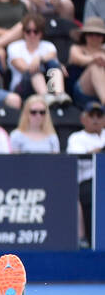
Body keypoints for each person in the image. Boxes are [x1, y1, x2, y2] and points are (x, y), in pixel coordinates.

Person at [65, 100, 105, 247]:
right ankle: (91, 239)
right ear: (83, 118)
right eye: (91, 115)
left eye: (99, 115)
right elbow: (75, 160)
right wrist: (100, 151)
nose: (95, 119)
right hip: (88, 183)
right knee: (89, 193)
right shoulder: (76, 138)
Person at [7, 13, 69, 104]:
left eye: (36, 31)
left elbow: (54, 61)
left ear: (41, 33)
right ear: (23, 32)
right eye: (28, 31)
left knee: (53, 65)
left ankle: (60, 95)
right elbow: (24, 68)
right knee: (35, 70)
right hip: (22, 86)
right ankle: (45, 97)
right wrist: (40, 61)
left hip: (48, 84)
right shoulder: (14, 47)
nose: (32, 34)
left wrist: (39, 58)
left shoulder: (49, 46)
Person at [69, 17, 105, 108]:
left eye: (98, 34)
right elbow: (77, 59)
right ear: (84, 35)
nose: (94, 37)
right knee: (95, 67)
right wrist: (94, 59)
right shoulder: (77, 48)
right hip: (81, 93)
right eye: (90, 34)